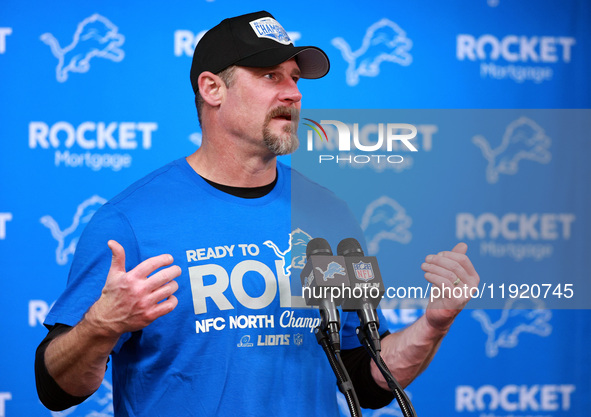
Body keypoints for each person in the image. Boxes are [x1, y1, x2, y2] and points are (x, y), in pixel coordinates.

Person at [35, 10, 480, 416]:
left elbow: (365, 378)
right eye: (270, 75)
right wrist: (98, 326)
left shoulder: (329, 213)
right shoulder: (129, 221)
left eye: (295, 79)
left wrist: (432, 324)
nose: (293, 92)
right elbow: (56, 388)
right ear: (212, 88)